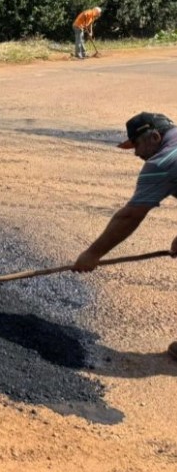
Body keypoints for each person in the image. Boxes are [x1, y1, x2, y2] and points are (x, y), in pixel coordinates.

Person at [73, 112, 177, 361]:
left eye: (138, 145)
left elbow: (130, 216)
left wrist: (92, 254)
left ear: (154, 136)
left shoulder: (161, 162)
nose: (136, 154)